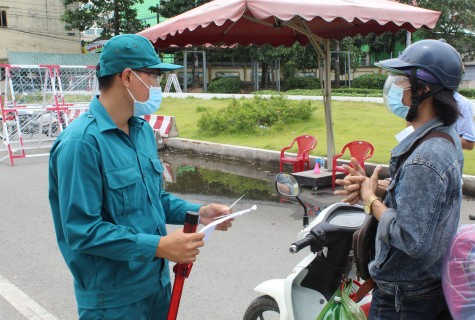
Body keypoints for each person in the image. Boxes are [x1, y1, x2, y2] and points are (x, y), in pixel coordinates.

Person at [48, 34, 232, 320]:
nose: (157, 86)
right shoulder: (81, 143)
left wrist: (199, 212)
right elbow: (82, 231)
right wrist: (159, 246)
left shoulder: (142, 131)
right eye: (154, 76)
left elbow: (153, 198)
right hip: (111, 301)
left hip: (155, 285)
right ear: (127, 77)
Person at [335, 39, 464, 319]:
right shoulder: (443, 136)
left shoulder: (426, 157)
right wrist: (375, 187)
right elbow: (425, 204)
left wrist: (371, 201)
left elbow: (409, 237)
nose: (396, 88)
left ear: (423, 89)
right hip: (423, 287)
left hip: (404, 298)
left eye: (402, 81)